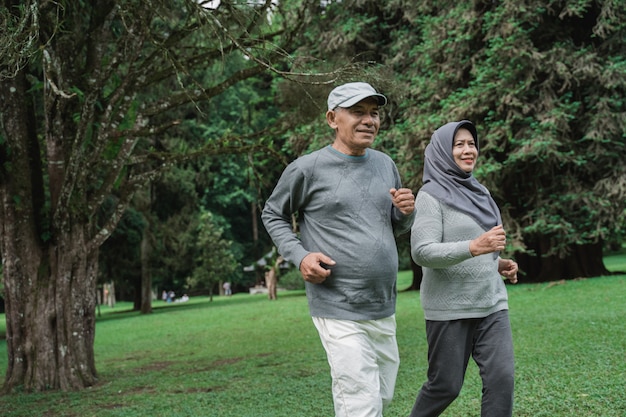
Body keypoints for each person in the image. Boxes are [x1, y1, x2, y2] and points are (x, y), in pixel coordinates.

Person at [262, 82, 416, 417]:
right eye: (358, 112)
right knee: (360, 399)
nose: (369, 120)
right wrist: (300, 255)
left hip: (382, 303)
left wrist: (405, 213)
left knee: (381, 393)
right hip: (336, 302)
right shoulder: (308, 168)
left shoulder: (385, 164)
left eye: (374, 113)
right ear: (333, 118)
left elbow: (395, 227)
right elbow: (272, 213)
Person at [408, 120, 519, 417]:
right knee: (445, 386)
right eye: (459, 145)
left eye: (471, 144)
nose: (468, 150)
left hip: (491, 304)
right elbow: (422, 252)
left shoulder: (479, 191)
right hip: (450, 309)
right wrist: (475, 247)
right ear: (444, 151)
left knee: (502, 379)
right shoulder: (430, 196)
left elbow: (481, 248)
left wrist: (498, 264)